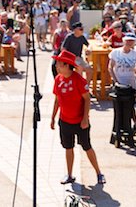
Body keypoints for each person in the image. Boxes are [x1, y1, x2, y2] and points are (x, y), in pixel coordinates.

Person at [50, 50, 106, 186]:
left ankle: (99, 173)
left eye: (59, 64)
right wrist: (53, 117)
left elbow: (87, 100)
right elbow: (57, 100)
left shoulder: (78, 80)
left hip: (80, 122)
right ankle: (69, 175)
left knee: (87, 147)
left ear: (67, 65)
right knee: (68, 148)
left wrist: (85, 118)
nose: (56, 66)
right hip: (64, 121)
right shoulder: (58, 79)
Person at [108, 32, 136, 133]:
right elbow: (110, 67)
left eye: (131, 41)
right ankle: (122, 126)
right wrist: (115, 80)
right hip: (119, 84)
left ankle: (134, 124)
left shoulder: (135, 54)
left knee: (130, 105)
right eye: (127, 41)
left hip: (130, 84)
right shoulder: (116, 52)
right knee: (120, 107)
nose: (129, 43)